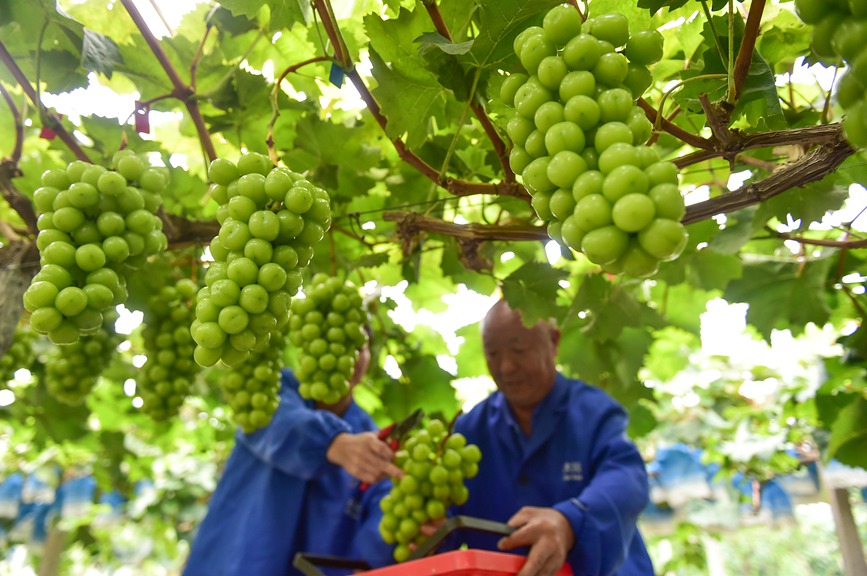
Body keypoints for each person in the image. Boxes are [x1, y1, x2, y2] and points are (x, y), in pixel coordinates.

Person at [438, 298, 654, 576]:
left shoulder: (594, 412)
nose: (506, 367)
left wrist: (571, 521)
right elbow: (447, 524)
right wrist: (431, 534)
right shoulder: (470, 432)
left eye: (519, 349)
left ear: (553, 341)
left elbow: (627, 479)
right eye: (492, 353)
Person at [183, 337, 402, 576]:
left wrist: (408, 532)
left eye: (360, 347)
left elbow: (379, 529)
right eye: (341, 343)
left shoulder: (371, 441)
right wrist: (333, 443)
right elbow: (276, 425)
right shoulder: (271, 391)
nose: (350, 357)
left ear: (370, 356)